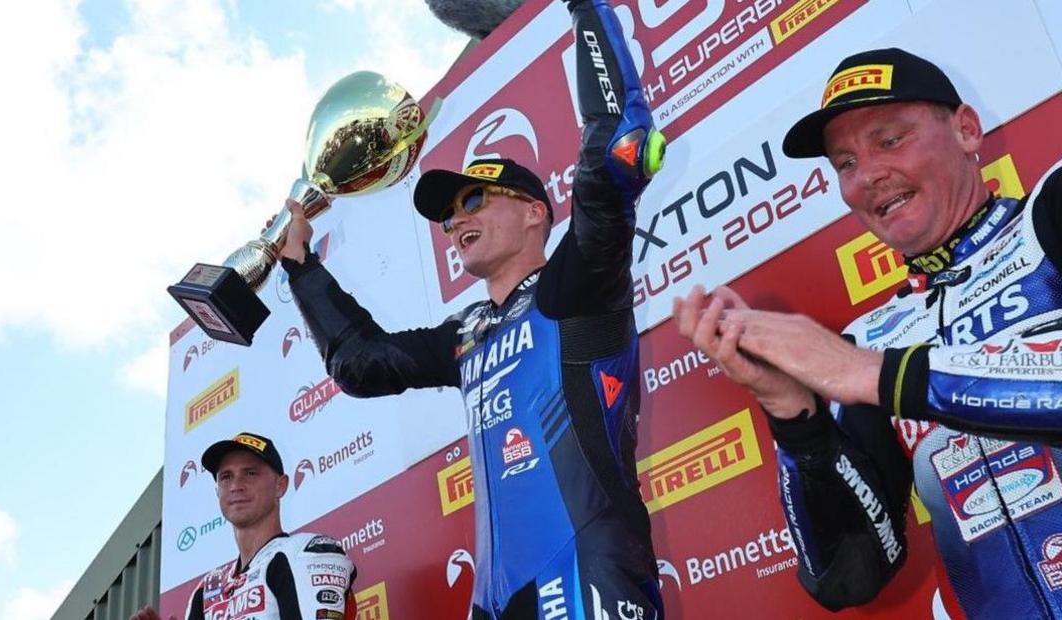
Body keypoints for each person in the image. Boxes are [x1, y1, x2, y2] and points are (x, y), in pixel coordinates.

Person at [277, 1, 666, 617]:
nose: (457, 221)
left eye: (476, 199)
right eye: (449, 214)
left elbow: (621, 142)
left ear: (535, 211)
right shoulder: (467, 337)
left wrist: (587, 7)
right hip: (491, 600)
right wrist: (301, 269)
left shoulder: (578, 286)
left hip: (586, 577)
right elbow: (360, 362)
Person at [674, 47, 1062, 619]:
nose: (869, 176)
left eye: (889, 140)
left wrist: (875, 375)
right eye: (845, 163)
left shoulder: (1049, 217)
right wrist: (794, 416)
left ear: (967, 130)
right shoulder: (875, 337)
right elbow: (850, 576)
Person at [130, 433, 356, 620]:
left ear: (281, 485)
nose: (236, 485)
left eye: (250, 473)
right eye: (226, 477)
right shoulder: (207, 589)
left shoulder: (305, 554)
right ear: (217, 491)